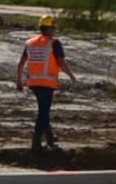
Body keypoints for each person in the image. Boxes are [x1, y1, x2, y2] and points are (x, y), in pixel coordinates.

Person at [15, 14, 78, 150]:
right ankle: (36, 143)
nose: (54, 31)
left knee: (44, 110)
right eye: (53, 28)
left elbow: (21, 64)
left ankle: (50, 139)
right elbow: (61, 62)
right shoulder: (54, 43)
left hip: (33, 84)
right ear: (49, 29)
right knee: (43, 112)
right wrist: (71, 76)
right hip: (46, 83)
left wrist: (19, 81)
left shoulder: (30, 43)